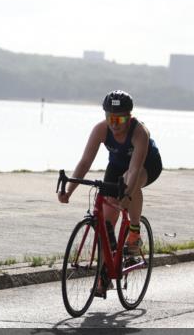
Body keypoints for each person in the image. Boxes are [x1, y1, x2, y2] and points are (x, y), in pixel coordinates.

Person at [58, 90, 163, 288]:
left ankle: (134, 231)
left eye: (120, 119)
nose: (114, 123)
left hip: (146, 165)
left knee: (129, 183)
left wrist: (126, 195)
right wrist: (69, 190)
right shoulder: (100, 129)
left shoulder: (140, 132)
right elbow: (85, 162)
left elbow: (133, 170)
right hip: (116, 165)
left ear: (129, 117)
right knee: (104, 223)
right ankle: (105, 275)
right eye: (110, 117)